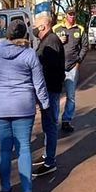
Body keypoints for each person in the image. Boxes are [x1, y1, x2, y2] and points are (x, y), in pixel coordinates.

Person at [0, 20, 49, 192]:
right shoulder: (29, 54)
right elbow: (39, 83)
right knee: (24, 149)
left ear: (7, 35)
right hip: (23, 107)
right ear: (24, 35)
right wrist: (44, 103)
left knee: (4, 149)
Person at [32, 15, 65, 177]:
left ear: (43, 27)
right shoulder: (47, 40)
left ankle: (50, 161)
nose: (33, 27)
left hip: (50, 90)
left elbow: (48, 70)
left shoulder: (50, 42)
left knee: (50, 125)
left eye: (35, 25)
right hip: (49, 89)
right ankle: (47, 154)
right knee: (47, 125)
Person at [53, 8, 89, 133]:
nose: (72, 16)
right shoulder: (56, 29)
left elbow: (85, 46)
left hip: (72, 67)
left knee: (71, 96)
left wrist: (79, 61)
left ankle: (66, 121)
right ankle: (53, 121)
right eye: (70, 14)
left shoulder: (80, 29)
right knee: (56, 96)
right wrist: (58, 41)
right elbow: (49, 44)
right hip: (57, 68)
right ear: (66, 15)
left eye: (74, 14)